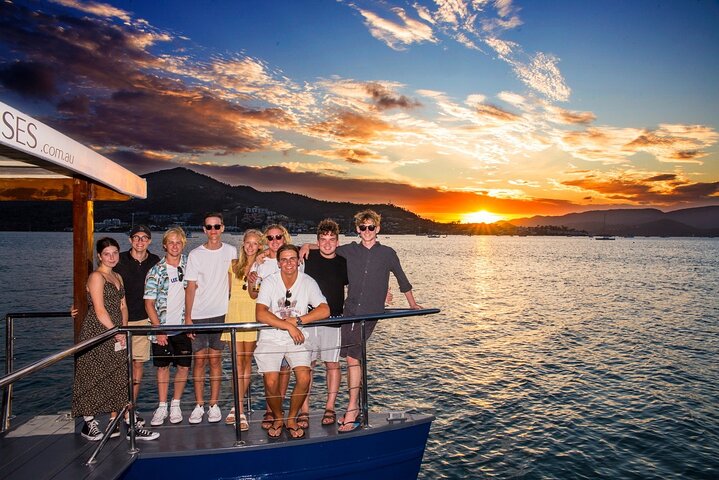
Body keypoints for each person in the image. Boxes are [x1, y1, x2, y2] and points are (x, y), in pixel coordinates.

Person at [300, 209, 421, 433]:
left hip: (370, 313)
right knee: (345, 358)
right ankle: (348, 407)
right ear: (357, 229)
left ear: (378, 229)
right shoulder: (350, 250)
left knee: (353, 358)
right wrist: (307, 246)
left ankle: (353, 408)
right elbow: (328, 247)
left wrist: (412, 304)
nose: (367, 231)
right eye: (363, 227)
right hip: (349, 310)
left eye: (371, 227)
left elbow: (402, 279)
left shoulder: (388, 253)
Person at [72, 237, 159, 441]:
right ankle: (88, 422)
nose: (111, 257)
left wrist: (124, 328)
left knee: (119, 376)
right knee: (92, 374)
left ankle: (127, 422)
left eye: (114, 253)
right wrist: (115, 331)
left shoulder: (117, 276)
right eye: (106, 254)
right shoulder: (96, 277)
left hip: (117, 330)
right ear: (99, 256)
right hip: (97, 331)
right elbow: (100, 310)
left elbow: (123, 306)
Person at [254, 244, 330, 439]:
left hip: (297, 338)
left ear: (299, 261)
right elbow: (260, 313)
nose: (289, 263)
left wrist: (298, 321)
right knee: (271, 381)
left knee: (304, 377)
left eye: (292, 259)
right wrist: (288, 326)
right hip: (271, 337)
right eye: (284, 259)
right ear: (279, 263)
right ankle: (278, 417)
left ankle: (292, 417)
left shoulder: (307, 282)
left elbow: (324, 309)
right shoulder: (270, 282)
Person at [185, 213, 237, 424]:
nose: (213, 230)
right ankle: (199, 405)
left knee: (215, 361)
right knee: (198, 362)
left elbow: (233, 279)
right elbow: (190, 287)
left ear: (222, 228)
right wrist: (187, 317)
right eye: (209, 227)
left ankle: (214, 405)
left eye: (217, 226)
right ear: (204, 230)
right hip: (198, 315)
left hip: (221, 314)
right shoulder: (195, 255)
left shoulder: (231, 251)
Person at [299, 219, 348, 428]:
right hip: (308, 320)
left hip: (334, 320)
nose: (327, 244)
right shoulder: (307, 257)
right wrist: (305, 246)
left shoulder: (344, 263)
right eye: (323, 239)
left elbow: (360, 284)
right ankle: (304, 410)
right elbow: (281, 253)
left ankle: (330, 407)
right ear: (317, 241)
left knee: (332, 364)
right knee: (306, 367)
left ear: (337, 242)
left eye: (331, 239)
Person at [114, 224, 160, 425]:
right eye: (136, 237)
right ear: (130, 240)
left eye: (144, 238)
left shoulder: (155, 261)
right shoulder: (119, 260)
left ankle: (129, 409)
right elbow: (98, 279)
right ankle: (114, 414)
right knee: (117, 367)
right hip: (119, 321)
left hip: (143, 320)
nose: (140, 241)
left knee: (137, 365)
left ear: (150, 241)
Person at [144, 227, 191, 426]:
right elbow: (149, 303)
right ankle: (162, 406)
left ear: (183, 245)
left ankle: (176, 404)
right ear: (164, 245)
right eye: (170, 242)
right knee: (162, 368)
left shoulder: (190, 266)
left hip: (183, 326)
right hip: (162, 328)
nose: (174, 246)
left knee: (183, 366)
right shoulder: (156, 270)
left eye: (178, 242)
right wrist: (158, 329)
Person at [251, 224, 294, 429]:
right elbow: (252, 293)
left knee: (285, 368)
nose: (275, 241)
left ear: (285, 238)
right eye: (270, 238)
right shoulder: (260, 262)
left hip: (290, 322)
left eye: (278, 237)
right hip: (269, 324)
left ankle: (280, 408)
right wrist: (252, 282)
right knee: (270, 370)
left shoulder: (295, 259)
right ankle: (271, 410)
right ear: (265, 240)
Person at [221, 229, 263, 429]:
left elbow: (258, 294)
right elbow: (229, 292)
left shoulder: (262, 266)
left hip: (253, 314)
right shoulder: (233, 265)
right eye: (248, 242)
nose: (251, 246)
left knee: (247, 361)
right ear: (243, 244)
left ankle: (239, 408)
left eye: (255, 243)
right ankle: (237, 408)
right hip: (235, 314)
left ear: (259, 246)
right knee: (237, 363)